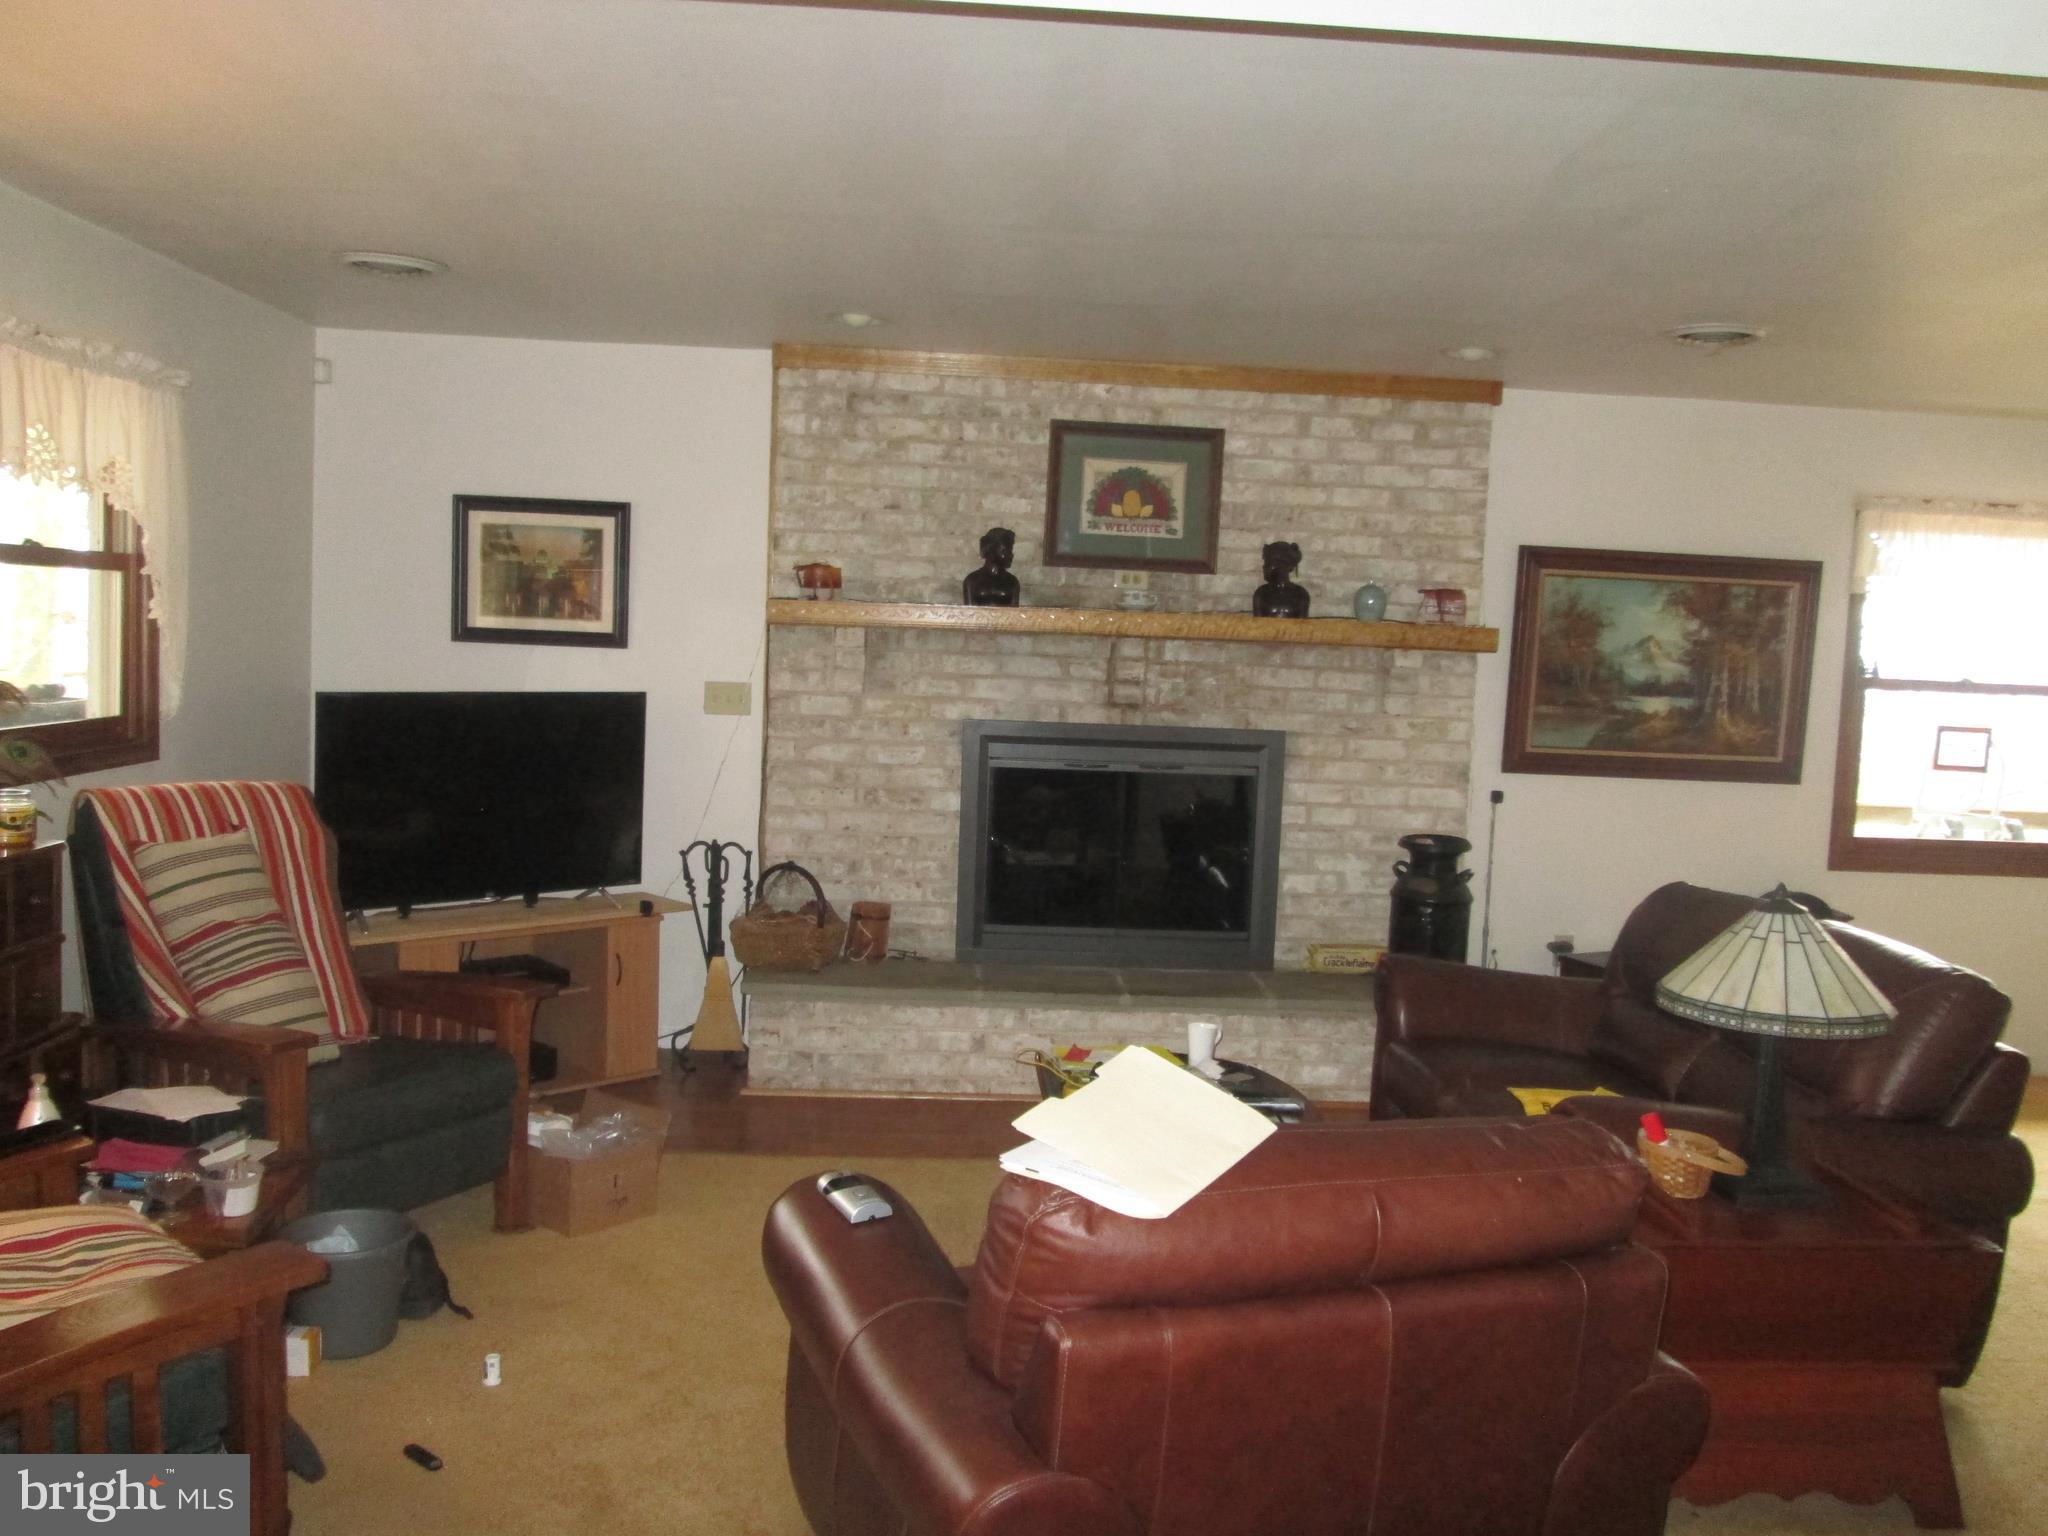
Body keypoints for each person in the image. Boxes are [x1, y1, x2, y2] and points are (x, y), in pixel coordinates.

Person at [962, 526, 1021, 606]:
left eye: (1010, 551)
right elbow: (969, 610)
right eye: (1004, 551)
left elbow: (1014, 611)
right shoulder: (972, 580)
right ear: (991, 550)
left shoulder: (1012, 582)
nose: (1010, 555)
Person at [1252, 540, 1310, 618]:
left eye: (1267, 563)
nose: (1264, 567)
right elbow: (1257, 623)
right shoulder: (1261, 593)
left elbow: (1303, 624)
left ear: (1280, 565)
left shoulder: (1301, 594)